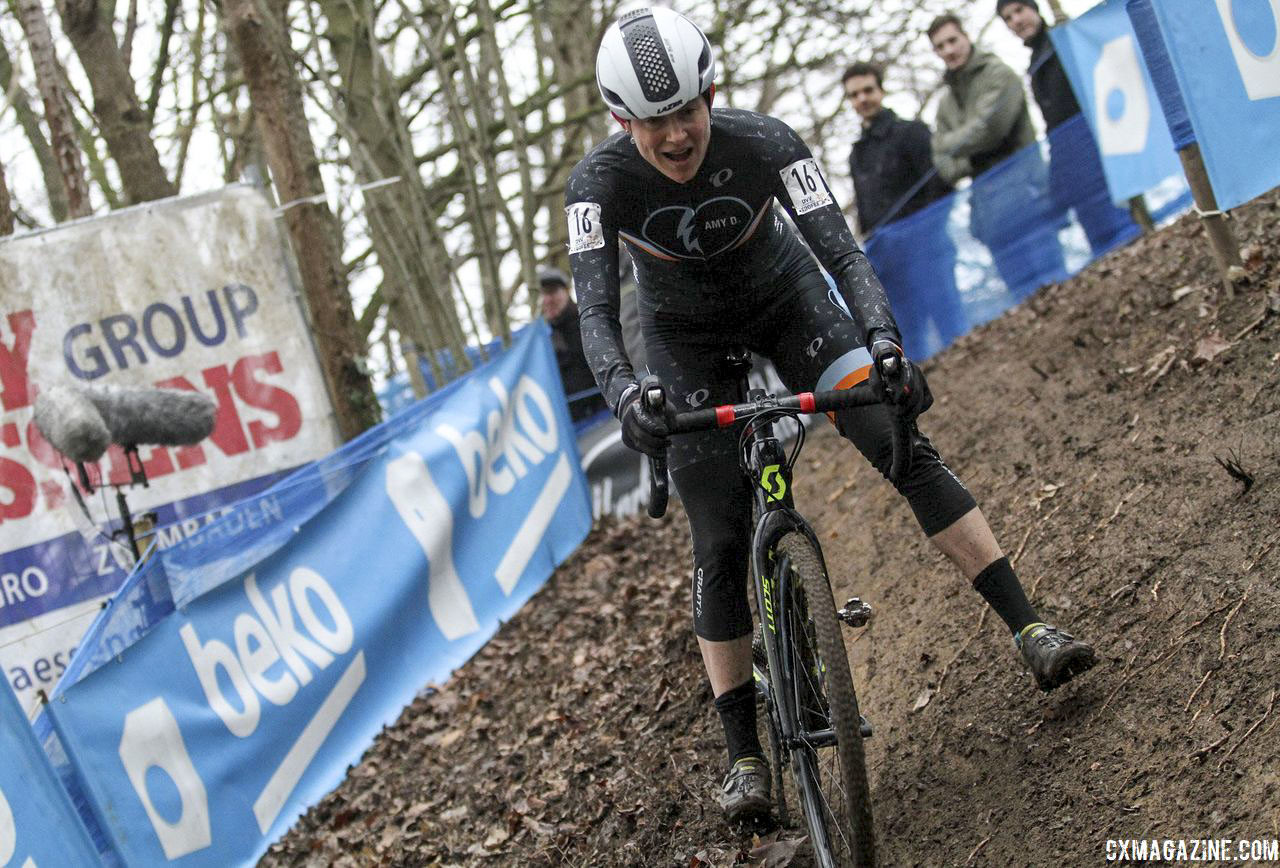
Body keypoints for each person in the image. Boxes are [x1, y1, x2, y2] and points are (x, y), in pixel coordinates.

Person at [568, 7, 1095, 824]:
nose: (676, 136)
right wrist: (625, 394)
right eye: (653, 121)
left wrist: (885, 342)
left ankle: (1032, 630)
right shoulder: (597, 184)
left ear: (712, 90)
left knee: (897, 439)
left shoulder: (768, 142)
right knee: (716, 535)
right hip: (682, 341)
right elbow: (598, 314)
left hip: (790, 302)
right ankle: (745, 754)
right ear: (619, 119)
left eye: (688, 110)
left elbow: (842, 252)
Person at [928, 12, 1069, 302]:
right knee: (1022, 301)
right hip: (989, 214)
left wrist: (953, 145)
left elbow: (990, 129)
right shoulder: (945, 103)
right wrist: (969, 156)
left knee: (1059, 290)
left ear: (966, 37)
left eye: (952, 41)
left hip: (1028, 196)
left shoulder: (999, 73)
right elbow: (942, 163)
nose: (949, 51)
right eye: (940, 47)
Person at [843, 61, 968, 360]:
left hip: (930, 254)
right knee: (910, 342)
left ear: (881, 90)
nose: (863, 99)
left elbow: (941, 187)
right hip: (889, 267)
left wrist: (919, 234)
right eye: (855, 94)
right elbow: (865, 212)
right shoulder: (856, 154)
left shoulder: (912, 133)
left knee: (954, 331)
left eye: (868, 90)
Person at [997, 0, 1139, 257]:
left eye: (1019, 11)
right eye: (1008, 18)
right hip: (1075, 168)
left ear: (1035, 9)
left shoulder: (1064, 39)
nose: (1016, 20)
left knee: (1125, 233)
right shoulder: (1033, 65)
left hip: (1101, 154)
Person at [538, 266, 608, 423]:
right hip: (572, 423)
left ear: (567, 291)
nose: (547, 300)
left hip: (604, 415)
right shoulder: (542, 339)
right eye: (542, 294)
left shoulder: (589, 322)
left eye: (552, 292)